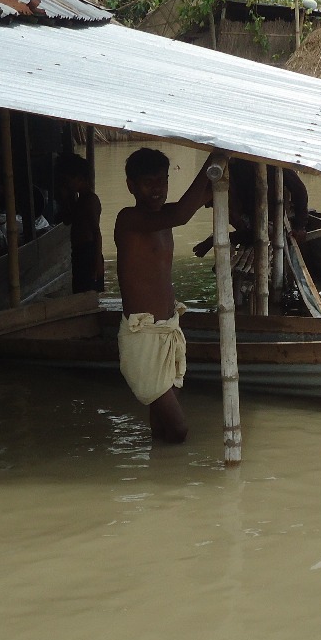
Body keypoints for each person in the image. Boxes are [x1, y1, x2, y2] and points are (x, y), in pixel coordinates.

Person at [114, 147, 218, 442]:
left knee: (161, 428)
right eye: (148, 182)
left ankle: (159, 466)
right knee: (178, 429)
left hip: (167, 329)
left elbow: (202, 197)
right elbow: (183, 214)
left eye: (162, 180)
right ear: (131, 186)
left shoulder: (163, 217)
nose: (157, 189)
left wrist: (224, 169)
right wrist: (213, 157)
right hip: (143, 337)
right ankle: (173, 468)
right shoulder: (129, 219)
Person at [57, 153, 104, 293]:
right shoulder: (79, 200)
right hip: (80, 251)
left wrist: (97, 261)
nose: (66, 184)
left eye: (68, 180)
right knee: (80, 291)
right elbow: (67, 220)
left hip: (89, 252)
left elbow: (97, 232)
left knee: (87, 293)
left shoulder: (90, 200)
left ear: (79, 178)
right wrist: (66, 199)